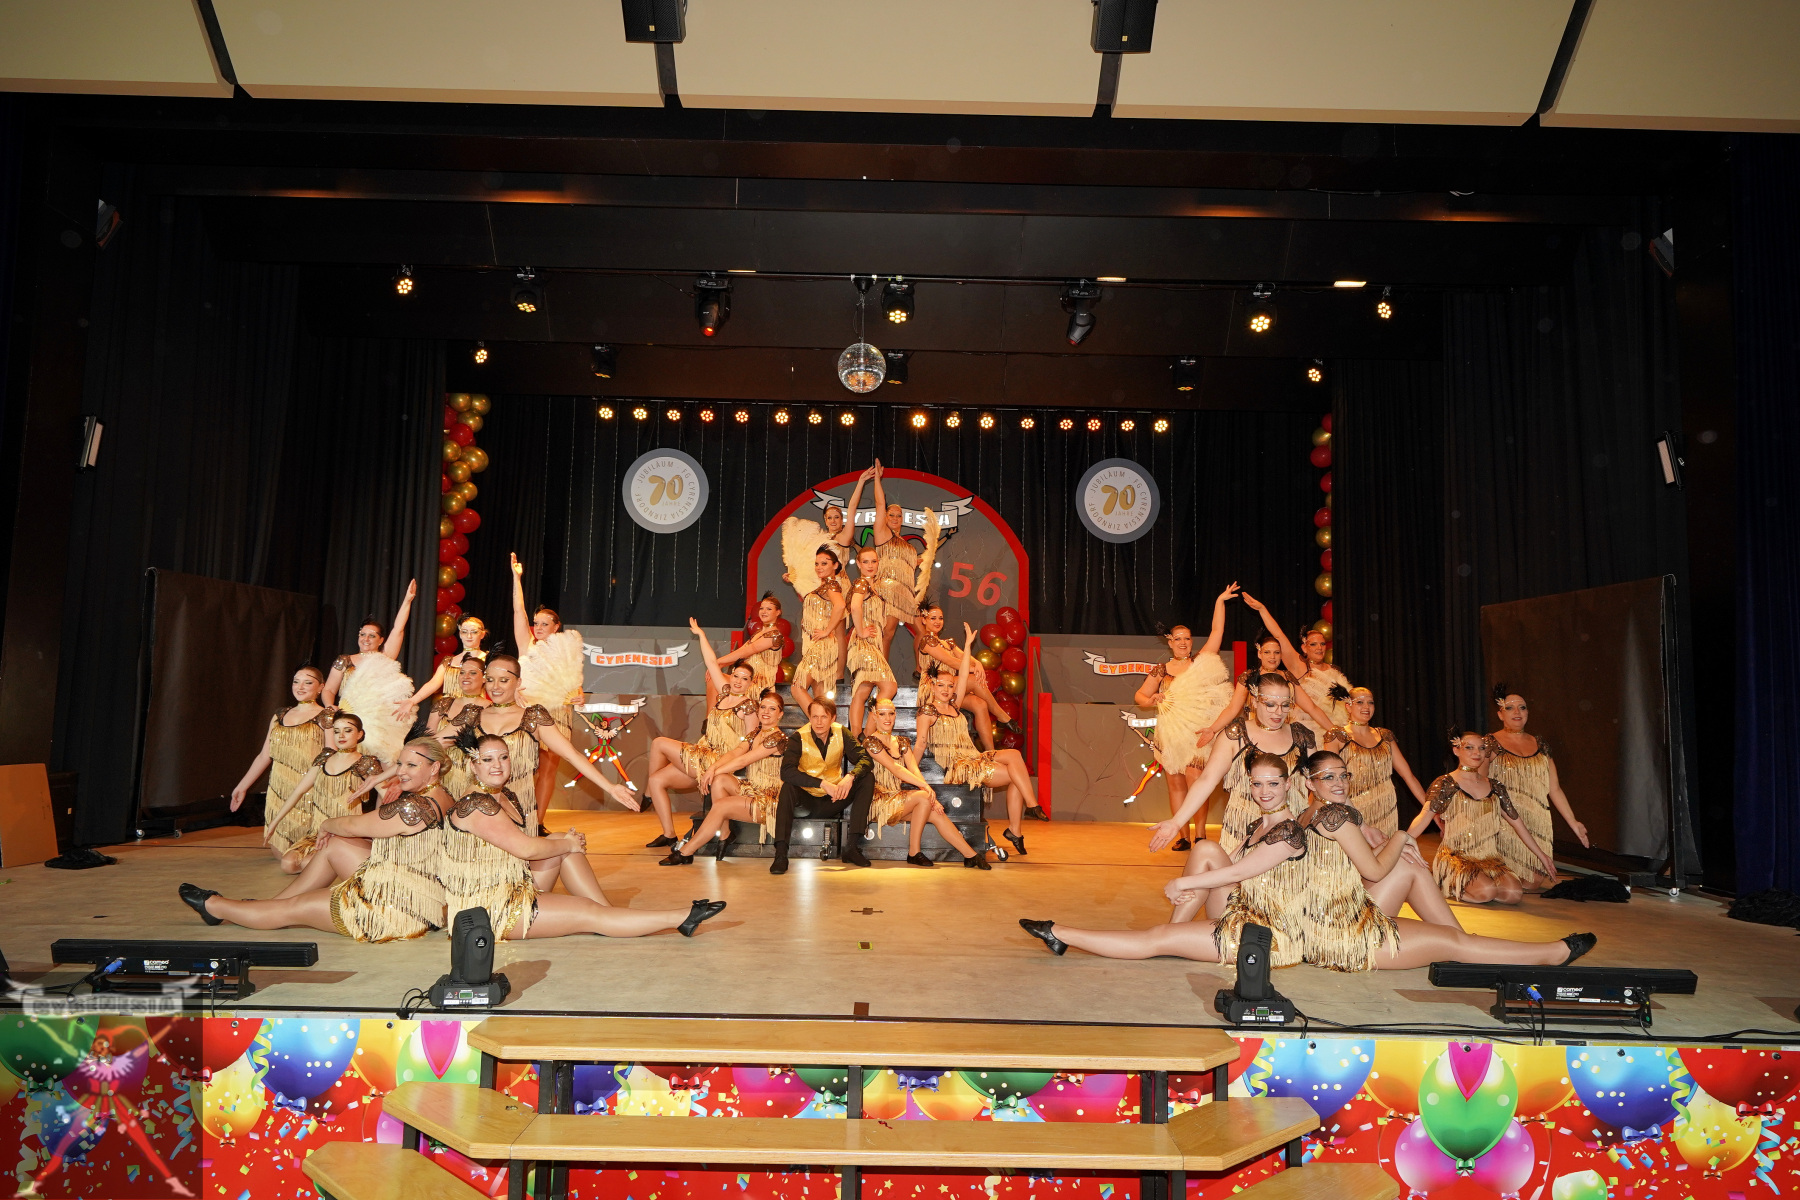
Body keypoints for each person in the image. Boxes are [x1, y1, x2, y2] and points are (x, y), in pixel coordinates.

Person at [1019, 750, 1597, 971]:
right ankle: (1059, 932)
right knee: (1451, 941)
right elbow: (1249, 869)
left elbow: (1250, 869)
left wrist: (1399, 836)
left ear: (1292, 785)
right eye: (1331, 777)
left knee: (1155, 940)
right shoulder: (1319, 818)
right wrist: (1405, 835)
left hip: (1297, 932)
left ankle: (1060, 932)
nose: (1341, 782)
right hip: (1311, 934)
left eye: (1344, 775)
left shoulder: (1311, 819)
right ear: (1312, 784)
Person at [447, 733, 726, 938]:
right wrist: (567, 844)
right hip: (490, 910)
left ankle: (609, 917)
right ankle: (680, 917)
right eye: (487, 760)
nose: (497, 765)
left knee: (559, 841)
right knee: (585, 908)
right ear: (473, 766)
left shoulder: (503, 794)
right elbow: (527, 850)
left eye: (503, 757)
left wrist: (564, 843)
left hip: (512, 884)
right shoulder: (477, 804)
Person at [178, 738, 453, 941]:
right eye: (400, 764)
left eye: (412, 765)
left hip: (394, 912)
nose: (401, 771)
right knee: (335, 844)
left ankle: (215, 906)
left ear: (434, 768)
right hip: (419, 896)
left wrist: (324, 825)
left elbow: (352, 825)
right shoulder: (443, 796)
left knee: (294, 908)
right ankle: (267, 907)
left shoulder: (412, 808)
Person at [1153, 673, 1317, 902]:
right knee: (1229, 902)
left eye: (1285, 705)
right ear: (1255, 701)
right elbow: (1207, 780)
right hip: (1241, 829)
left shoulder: (1302, 737)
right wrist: (1176, 822)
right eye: (1270, 704)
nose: (1278, 712)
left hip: (1286, 835)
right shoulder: (1236, 735)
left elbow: (1322, 785)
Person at [442, 654, 636, 813]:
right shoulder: (472, 714)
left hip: (516, 809)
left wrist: (610, 787)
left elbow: (572, 755)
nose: (495, 687)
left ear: (518, 682)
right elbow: (433, 746)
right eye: (491, 680)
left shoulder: (534, 717)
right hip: (476, 809)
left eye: (504, 680)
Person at [915, 625, 1041, 858]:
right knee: (1017, 775)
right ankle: (1024, 818)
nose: (946, 689)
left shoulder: (954, 705)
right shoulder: (927, 712)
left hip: (974, 756)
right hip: (961, 765)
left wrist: (967, 646)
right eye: (941, 685)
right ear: (932, 686)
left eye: (949, 686)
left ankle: (1024, 817)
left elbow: (963, 676)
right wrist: (911, 774)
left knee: (1015, 758)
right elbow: (921, 744)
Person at [1133, 585, 1238, 851]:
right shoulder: (1162, 670)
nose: (1183, 643)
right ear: (1169, 642)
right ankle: (1183, 835)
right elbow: (1140, 696)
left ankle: (1200, 835)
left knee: (1196, 780)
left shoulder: (1200, 662)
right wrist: (1151, 700)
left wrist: (1220, 600)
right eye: (1178, 639)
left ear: (1191, 641)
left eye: (1187, 638)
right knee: (1176, 784)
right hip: (1170, 733)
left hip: (1196, 733)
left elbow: (1217, 631)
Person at [641, 620, 760, 848]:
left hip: (717, 760)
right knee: (657, 780)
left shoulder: (749, 706)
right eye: (736, 676)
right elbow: (711, 662)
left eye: (744, 678)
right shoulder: (723, 693)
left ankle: (646, 794)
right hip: (701, 752)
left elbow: (747, 743)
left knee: (659, 743)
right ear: (731, 676)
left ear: (750, 683)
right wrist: (701, 634)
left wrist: (721, 767)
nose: (738, 681)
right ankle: (669, 834)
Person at [1413, 730, 1557, 904]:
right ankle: (1448, 883)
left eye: (1481, 748)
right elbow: (1424, 817)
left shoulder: (1494, 786)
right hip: (1458, 856)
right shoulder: (1446, 783)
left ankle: (1477, 884)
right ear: (1456, 750)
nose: (1477, 753)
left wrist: (1542, 855)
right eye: (1469, 748)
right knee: (1487, 892)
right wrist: (1402, 844)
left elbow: (1517, 823)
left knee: (1513, 894)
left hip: (1488, 858)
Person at [658, 687, 788, 864]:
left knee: (721, 805)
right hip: (753, 789)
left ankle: (686, 852)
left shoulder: (777, 738)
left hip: (769, 799)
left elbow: (743, 761)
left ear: (780, 714)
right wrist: (712, 770)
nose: (766, 712)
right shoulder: (755, 733)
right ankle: (725, 833)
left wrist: (711, 773)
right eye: (763, 707)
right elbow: (735, 753)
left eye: (772, 709)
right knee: (719, 781)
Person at [862, 698, 990, 868]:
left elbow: (914, 769)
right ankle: (914, 852)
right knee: (923, 796)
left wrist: (931, 798)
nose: (887, 718)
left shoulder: (901, 742)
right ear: (874, 716)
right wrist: (927, 789)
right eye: (882, 714)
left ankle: (970, 855)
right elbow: (896, 769)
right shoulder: (870, 742)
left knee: (935, 812)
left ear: (895, 715)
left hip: (897, 799)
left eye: (891, 713)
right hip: (879, 801)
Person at [511, 553, 588, 824]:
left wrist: (580, 695)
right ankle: (517, 818)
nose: (539, 627)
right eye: (536, 623)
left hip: (557, 713)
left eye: (545, 624)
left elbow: (573, 680)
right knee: (522, 768)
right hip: (529, 711)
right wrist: (516, 578)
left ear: (557, 627)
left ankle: (538, 822)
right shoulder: (527, 645)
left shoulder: (565, 650)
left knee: (548, 770)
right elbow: (518, 612)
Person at [1488, 685, 1590, 886]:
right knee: (1511, 885)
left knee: (1533, 881)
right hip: (1505, 820)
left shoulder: (1540, 744)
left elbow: (1554, 789)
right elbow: (1477, 783)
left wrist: (1574, 822)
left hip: (1537, 821)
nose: (1517, 712)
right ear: (1500, 714)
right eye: (1509, 708)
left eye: (1522, 707)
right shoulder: (1490, 742)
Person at [260, 714, 385, 873]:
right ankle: (332, 865)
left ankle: (339, 861)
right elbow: (299, 791)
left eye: (347, 730)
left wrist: (376, 830)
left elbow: (386, 794)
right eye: (336, 731)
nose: (341, 735)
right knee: (288, 864)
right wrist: (275, 822)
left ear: (359, 734)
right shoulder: (325, 758)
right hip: (317, 832)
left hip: (345, 832)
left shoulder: (365, 763)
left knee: (309, 863)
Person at [230, 665, 329, 863]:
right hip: (279, 790)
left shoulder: (326, 716)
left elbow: (331, 755)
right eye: (296, 682)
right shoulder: (280, 715)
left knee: (301, 858)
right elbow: (264, 756)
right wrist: (242, 787)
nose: (300, 687)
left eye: (308, 682)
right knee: (282, 854)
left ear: (320, 687)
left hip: (309, 790)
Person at [770, 697, 875, 875]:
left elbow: (865, 759)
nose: (819, 722)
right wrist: (822, 784)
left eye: (824, 717)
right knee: (788, 787)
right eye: (815, 717)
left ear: (833, 718)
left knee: (866, 778)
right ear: (809, 717)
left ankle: (852, 847)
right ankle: (780, 854)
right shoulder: (798, 737)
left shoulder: (842, 732)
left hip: (835, 798)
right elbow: (786, 772)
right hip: (807, 801)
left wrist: (850, 777)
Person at [907, 601, 1017, 752]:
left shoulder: (948, 642)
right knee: (974, 680)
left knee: (980, 704)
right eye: (933, 618)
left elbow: (964, 657)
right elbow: (951, 661)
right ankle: (1002, 716)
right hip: (935, 688)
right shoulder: (927, 641)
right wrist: (973, 668)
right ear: (924, 620)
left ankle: (990, 753)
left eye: (940, 618)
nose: (937, 621)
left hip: (952, 688)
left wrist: (977, 663)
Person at [1322, 686, 1428, 837]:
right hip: (1353, 808)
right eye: (1360, 702)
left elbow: (1408, 776)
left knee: (1386, 850)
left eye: (1370, 702)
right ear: (1348, 706)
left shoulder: (1385, 736)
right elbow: (1330, 779)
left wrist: (1431, 810)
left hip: (1386, 809)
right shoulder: (1337, 736)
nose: (1366, 707)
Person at [868, 462, 937, 658]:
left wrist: (926, 558)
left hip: (907, 592)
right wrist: (877, 479)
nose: (895, 518)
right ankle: (882, 670)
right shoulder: (882, 535)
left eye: (899, 515)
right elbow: (880, 503)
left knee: (923, 633)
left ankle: (920, 668)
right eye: (891, 514)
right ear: (885, 517)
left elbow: (911, 564)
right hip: (888, 590)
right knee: (887, 632)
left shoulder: (907, 546)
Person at [320, 581, 417, 709]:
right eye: (362, 634)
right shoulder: (344, 660)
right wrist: (330, 706)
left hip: (375, 714)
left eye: (372, 636)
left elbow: (398, 629)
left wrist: (407, 601)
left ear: (381, 640)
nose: (366, 639)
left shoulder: (384, 658)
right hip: (348, 714)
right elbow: (329, 689)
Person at [788, 545, 848, 718]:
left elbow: (840, 606)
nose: (819, 567)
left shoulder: (831, 584)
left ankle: (818, 721)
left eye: (824, 563)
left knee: (797, 687)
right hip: (819, 645)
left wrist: (827, 630)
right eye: (817, 564)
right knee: (820, 696)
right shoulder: (824, 586)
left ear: (835, 565)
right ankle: (824, 728)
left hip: (821, 646)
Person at [845, 545, 898, 738]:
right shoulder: (862, 583)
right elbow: (855, 607)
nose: (870, 565)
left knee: (863, 689)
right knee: (889, 686)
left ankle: (856, 738)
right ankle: (867, 735)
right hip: (863, 643)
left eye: (873, 561)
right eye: (865, 562)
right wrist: (861, 631)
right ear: (858, 564)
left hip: (870, 643)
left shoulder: (872, 586)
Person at [397, 614, 489, 719]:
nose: (469, 636)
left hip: (475, 713)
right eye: (464, 632)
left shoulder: (488, 660)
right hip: (448, 714)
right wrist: (412, 700)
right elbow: (434, 683)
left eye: (474, 632)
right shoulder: (449, 661)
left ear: (482, 634)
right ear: (460, 634)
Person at [720, 593, 786, 691]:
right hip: (746, 679)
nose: (764, 612)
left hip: (759, 685)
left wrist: (717, 662)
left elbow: (745, 652)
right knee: (713, 676)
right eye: (761, 608)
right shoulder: (758, 634)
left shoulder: (774, 635)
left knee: (715, 675)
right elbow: (739, 653)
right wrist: (720, 664)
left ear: (778, 612)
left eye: (769, 609)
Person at [421, 659, 491, 735]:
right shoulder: (443, 704)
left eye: (472, 673)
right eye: (462, 672)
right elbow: (427, 738)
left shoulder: (490, 708)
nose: (466, 676)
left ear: (484, 678)